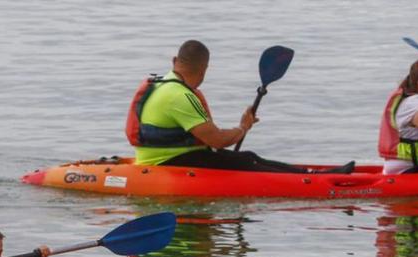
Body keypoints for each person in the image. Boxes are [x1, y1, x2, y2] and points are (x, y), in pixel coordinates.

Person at [126, 40, 328, 173]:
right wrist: (242, 128)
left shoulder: (161, 84)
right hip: (169, 163)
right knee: (246, 162)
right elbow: (217, 141)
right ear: (204, 69)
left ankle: (310, 174)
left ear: (175, 61)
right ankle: (312, 178)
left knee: (248, 158)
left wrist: (241, 128)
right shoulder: (179, 96)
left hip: (162, 158)